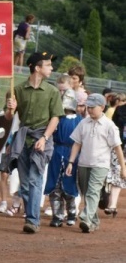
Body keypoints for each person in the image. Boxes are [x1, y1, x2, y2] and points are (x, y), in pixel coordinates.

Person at [5, 51, 64, 233]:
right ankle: (31, 214)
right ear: (37, 68)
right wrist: (10, 109)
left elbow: (55, 118)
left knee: (34, 179)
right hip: (23, 138)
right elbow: (8, 118)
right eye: (48, 65)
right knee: (24, 184)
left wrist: (45, 138)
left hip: (42, 138)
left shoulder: (52, 91)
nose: (51, 68)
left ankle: (32, 220)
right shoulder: (17, 90)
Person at [66, 93, 126, 233]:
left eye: (93, 107)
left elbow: (117, 148)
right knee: (87, 193)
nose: (90, 109)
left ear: (102, 107)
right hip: (83, 163)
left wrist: (123, 168)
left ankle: (86, 217)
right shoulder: (83, 123)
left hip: (101, 164)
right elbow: (76, 144)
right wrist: (71, 162)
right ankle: (93, 222)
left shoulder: (109, 125)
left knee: (93, 191)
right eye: (88, 107)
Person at [44, 89, 81, 227]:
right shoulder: (56, 118)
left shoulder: (79, 120)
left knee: (69, 184)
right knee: (55, 186)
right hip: (56, 152)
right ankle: (57, 216)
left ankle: (71, 213)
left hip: (72, 153)